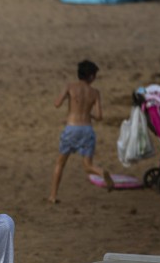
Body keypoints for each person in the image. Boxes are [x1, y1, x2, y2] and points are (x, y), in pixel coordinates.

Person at [48, 60, 113, 202]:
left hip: (72, 127)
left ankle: (53, 196)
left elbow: (57, 103)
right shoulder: (95, 92)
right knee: (88, 166)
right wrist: (89, 114)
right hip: (87, 129)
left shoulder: (70, 87)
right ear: (90, 76)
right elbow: (100, 117)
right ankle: (102, 172)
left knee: (60, 163)